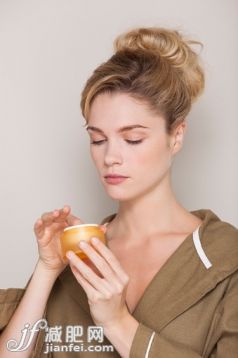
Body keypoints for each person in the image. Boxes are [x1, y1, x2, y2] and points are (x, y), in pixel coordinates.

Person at [0, 26, 237, 358]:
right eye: (97, 139)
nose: (110, 156)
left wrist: (118, 324)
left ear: (176, 136)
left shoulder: (226, 258)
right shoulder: (80, 254)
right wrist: (47, 270)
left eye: (133, 138)